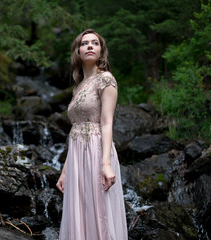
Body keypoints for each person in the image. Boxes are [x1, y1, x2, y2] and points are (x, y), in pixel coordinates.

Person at [56, 29, 128, 240]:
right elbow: (75, 129)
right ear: (78, 51)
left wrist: (106, 164)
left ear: (101, 51)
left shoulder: (106, 79)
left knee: (99, 210)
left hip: (96, 151)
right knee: (81, 209)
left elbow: (106, 123)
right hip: (77, 155)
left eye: (94, 43)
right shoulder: (77, 89)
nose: (89, 46)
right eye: (84, 43)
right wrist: (64, 170)